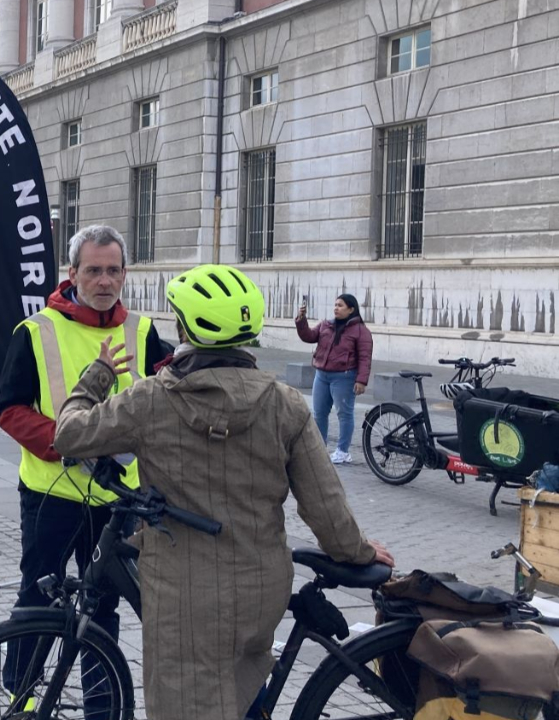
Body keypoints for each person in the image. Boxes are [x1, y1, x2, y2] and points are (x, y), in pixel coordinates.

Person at [53, 264, 394, 720]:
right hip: (261, 586)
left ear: (183, 327)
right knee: (241, 681)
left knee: (186, 700)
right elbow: (325, 506)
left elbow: (69, 435)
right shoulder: (284, 403)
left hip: (182, 591)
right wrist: (358, 551)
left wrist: (96, 375)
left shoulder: (151, 400)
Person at [0, 225, 170, 698]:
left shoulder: (145, 333)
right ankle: (22, 697)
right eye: (93, 271)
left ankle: (101, 707)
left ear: (125, 274)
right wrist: (70, 442)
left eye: (113, 271)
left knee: (103, 608)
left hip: (118, 501)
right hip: (53, 494)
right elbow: (9, 410)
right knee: (37, 600)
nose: (104, 281)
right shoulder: (36, 330)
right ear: (72, 273)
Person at [296, 293, 373, 464]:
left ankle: (343, 451)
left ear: (351, 309)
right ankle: (319, 448)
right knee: (319, 413)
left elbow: (365, 358)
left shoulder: (361, 331)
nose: (336, 308)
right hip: (322, 375)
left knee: (344, 414)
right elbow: (308, 336)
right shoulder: (326, 325)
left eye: (340, 305)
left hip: (344, 377)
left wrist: (361, 380)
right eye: (335, 304)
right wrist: (301, 321)